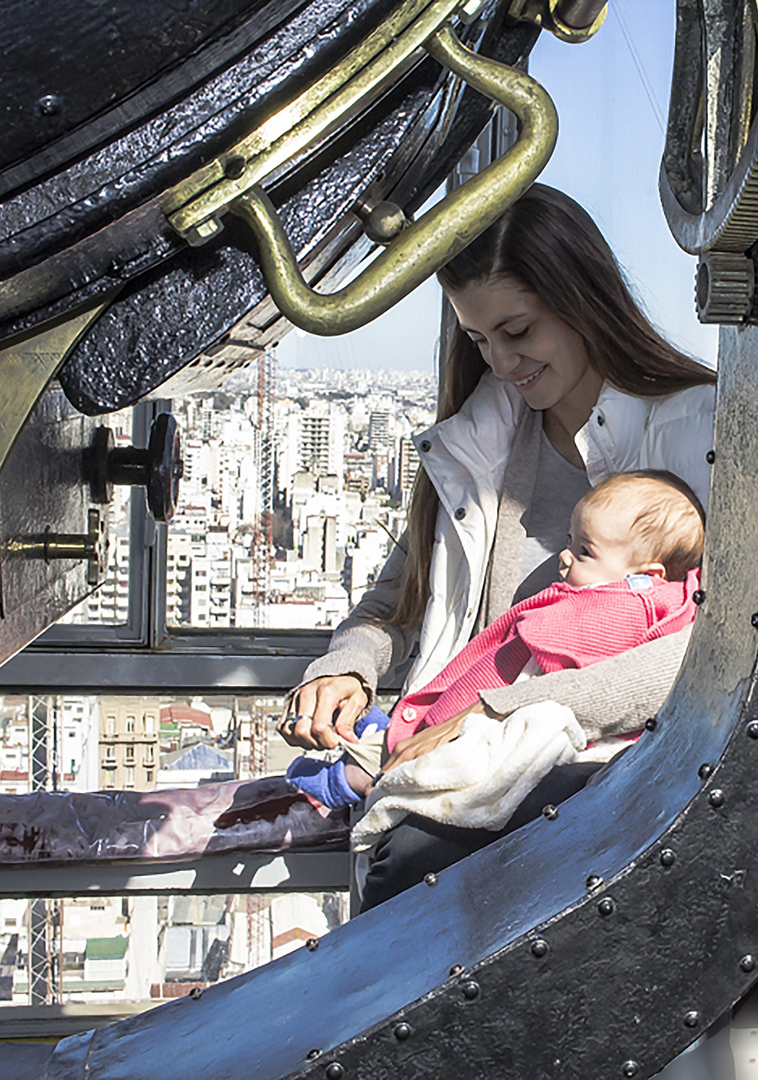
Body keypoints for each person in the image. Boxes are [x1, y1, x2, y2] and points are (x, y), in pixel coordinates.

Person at [279, 184, 717, 908]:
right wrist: (348, 670)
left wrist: (501, 711)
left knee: (410, 866)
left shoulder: (691, 432)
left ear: (583, 302)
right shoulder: (482, 439)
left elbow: (705, 650)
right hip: (464, 756)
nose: (503, 362)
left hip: (609, 772)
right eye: (479, 340)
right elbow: (401, 602)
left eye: (518, 331)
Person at [287, 470, 704, 809]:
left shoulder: (609, 613)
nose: (564, 557)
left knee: (425, 771)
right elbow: (394, 602)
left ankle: (350, 780)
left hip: (484, 738)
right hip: (464, 725)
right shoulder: (464, 451)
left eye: (584, 551)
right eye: (569, 543)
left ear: (646, 578)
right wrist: (348, 666)